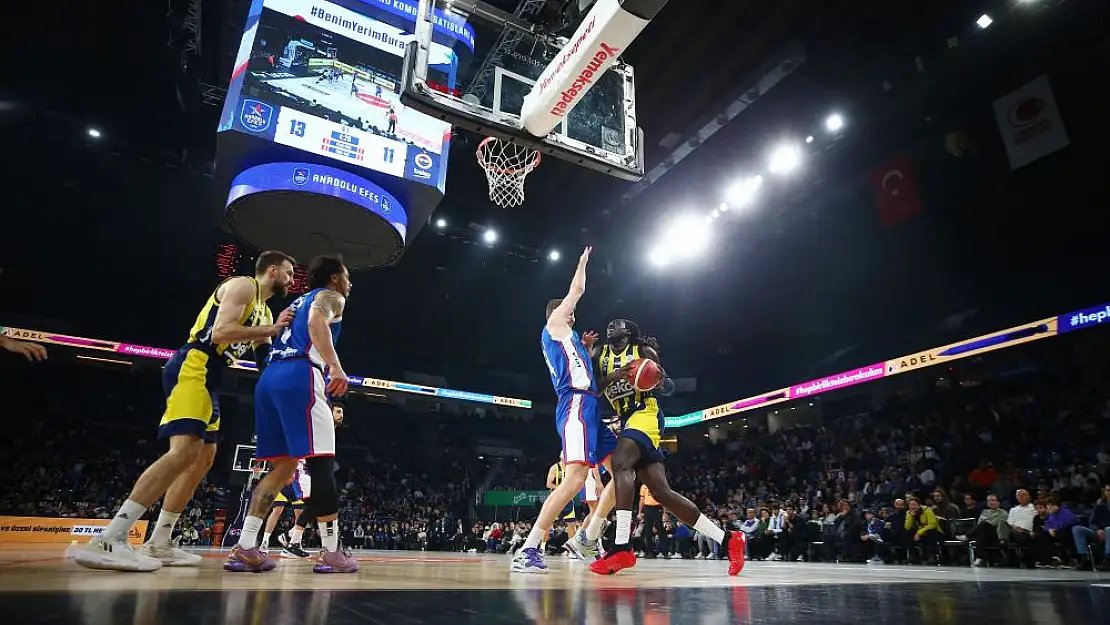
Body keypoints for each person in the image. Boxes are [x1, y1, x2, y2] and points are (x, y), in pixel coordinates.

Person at [76, 251, 296, 572]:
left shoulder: (265, 314)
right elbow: (220, 333)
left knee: (203, 459)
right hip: (195, 365)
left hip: (214, 378)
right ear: (272, 271)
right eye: (289, 273)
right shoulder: (243, 287)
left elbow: (266, 363)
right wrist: (272, 330)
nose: (292, 280)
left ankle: (160, 542)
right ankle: (111, 536)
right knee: (182, 452)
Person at [225, 255, 356, 574]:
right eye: (347, 277)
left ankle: (245, 546)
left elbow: (262, 338)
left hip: (270, 378)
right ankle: (331, 552)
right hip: (301, 375)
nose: (350, 284)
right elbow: (316, 323)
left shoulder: (294, 304)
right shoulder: (330, 297)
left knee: (282, 468)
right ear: (335, 278)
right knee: (321, 462)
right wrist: (336, 367)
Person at [584, 318, 745, 576]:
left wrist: (656, 378)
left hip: (646, 414)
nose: (613, 325)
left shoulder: (643, 353)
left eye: (619, 323)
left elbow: (668, 387)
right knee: (661, 493)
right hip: (626, 420)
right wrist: (614, 375)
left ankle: (622, 547)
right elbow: (593, 390)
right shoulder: (600, 354)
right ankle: (729, 540)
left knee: (620, 464)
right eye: (610, 324)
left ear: (630, 332)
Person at [511, 247, 618, 574]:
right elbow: (577, 291)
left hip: (590, 406)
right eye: (568, 312)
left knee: (625, 473)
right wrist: (583, 263)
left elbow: (585, 374)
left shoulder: (570, 341)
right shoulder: (555, 323)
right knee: (573, 481)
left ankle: (588, 536)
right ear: (555, 314)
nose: (573, 315)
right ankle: (528, 549)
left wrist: (586, 350)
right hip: (574, 406)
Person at [279, 402, 345, 559]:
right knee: (316, 504)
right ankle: (292, 542)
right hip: (301, 468)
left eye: (342, 412)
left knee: (315, 506)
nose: (341, 415)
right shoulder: (316, 424)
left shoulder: (329, 430)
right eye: (338, 412)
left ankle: (290, 538)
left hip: (312, 472)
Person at [259, 459, 309, 553]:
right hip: (281, 481)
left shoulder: (306, 451)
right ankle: (265, 541)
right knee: (277, 511)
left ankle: (295, 542)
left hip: (298, 482)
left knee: (301, 515)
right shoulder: (285, 449)